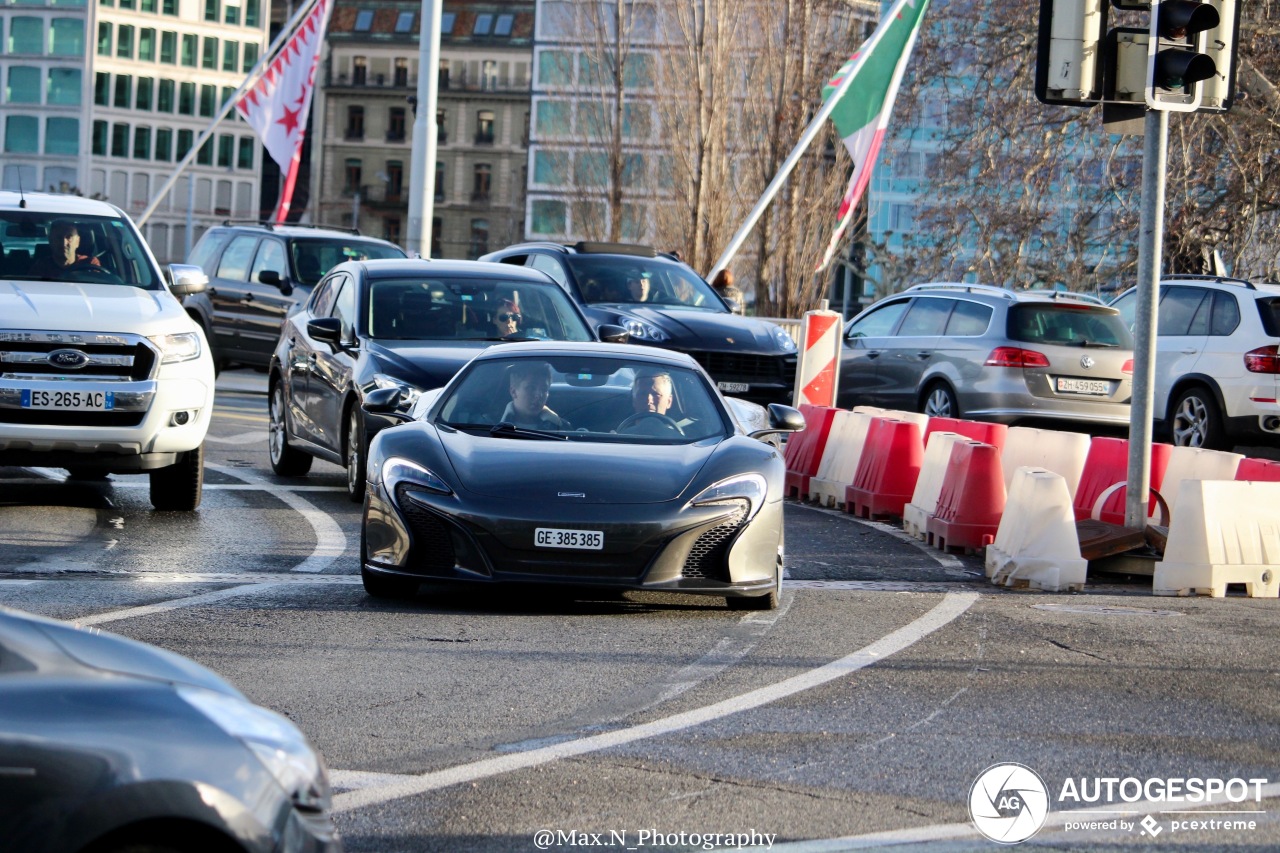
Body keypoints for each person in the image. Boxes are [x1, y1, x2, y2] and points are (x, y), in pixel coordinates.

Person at [499, 361, 568, 429]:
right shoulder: (492, 424)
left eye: (544, 389)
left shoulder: (561, 428)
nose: (538, 395)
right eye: (531, 388)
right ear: (513, 392)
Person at [32, 220, 101, 279]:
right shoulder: (42, 267)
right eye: (59, 237)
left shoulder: (90, 264)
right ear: (51, 241)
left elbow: (99, 289)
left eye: (69, 237)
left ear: (77, 241)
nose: (64, 243)